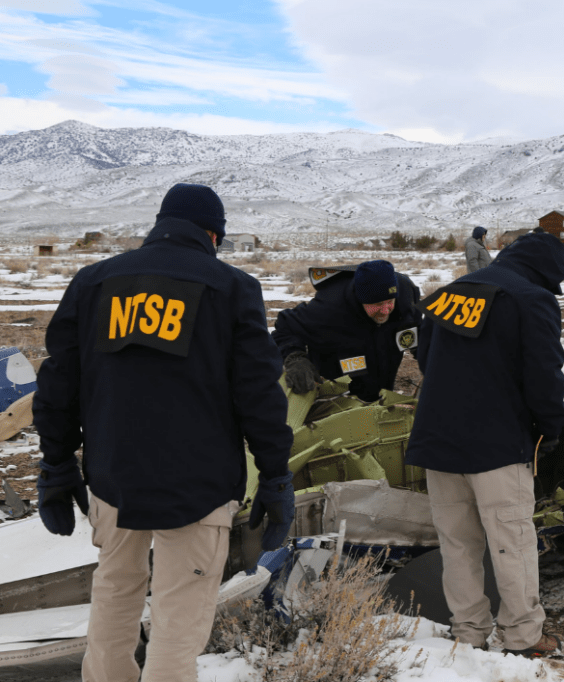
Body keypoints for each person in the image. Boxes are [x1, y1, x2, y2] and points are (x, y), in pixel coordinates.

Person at [33, 183, 295, 682]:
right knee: (179, 620)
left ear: (159, 225)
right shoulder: (232, 287)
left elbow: (59, 382)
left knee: (114, 591)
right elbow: (260, 396)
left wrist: (56, 462)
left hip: (114, 477)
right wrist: (276, 474)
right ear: (214, 235)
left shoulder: (92, 283)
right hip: (199, 485)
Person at [406, 232, 564, 657]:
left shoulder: (448, 294)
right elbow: (544, 377)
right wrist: (550, 428)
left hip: (437, 440)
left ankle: (468, 632)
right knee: (511, 542)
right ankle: (523, 637)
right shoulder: (532, 299)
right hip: (497, 445)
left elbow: (425, 360)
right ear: (546, 271)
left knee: (458, 544)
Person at [272, 260, 421, 402]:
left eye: (390, 301)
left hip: (383, 389)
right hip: (336, 396)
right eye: (378, 304)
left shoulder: (406, 297)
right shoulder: (328, 309)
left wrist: (431, 363)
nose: (385, 310)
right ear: (361, 299)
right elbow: (285, 326)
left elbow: (417, 334)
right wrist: (296, 358)